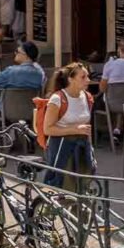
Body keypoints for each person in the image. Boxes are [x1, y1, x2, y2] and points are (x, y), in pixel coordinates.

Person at [42, 62, 96, 190]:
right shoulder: (58, 99)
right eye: (83, 77)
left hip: (82, 146)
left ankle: (80, 209)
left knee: (84, 184)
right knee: (63, 185)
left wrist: (91, 150)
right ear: (70, 79)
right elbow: (47, 129)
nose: (88, 80)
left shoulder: (87, 97)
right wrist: (74, 129)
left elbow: (87, 126)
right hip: (62, 147)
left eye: (87, 76)